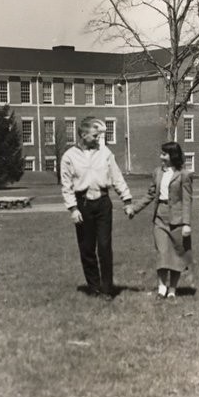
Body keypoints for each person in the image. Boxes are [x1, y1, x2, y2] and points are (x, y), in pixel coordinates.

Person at [60, 117, 134, 300]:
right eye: (94, 135)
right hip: (82, 205)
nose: (98, 139)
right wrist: (72, 209)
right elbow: (66, 185)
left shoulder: (105, 153)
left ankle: (107, 289)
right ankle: (94, 288)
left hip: (102, 203)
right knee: (86, 248)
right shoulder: (69, 156)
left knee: (104, 245)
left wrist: (126, 199)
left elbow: (116, 177)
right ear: (83, 135)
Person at [131, 142, 193, 299]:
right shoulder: (157, 172)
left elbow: (187, 200)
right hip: (160, 217)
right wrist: (134, 208)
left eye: (164, 154)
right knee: (162, 253)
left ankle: (172, 290)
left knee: (177, 255)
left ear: (173, 156)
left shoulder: (184, 175)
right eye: (161, 153)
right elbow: (150, 194)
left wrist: (186, 223)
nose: (161, 157)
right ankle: (161, 288)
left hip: (177, 220)